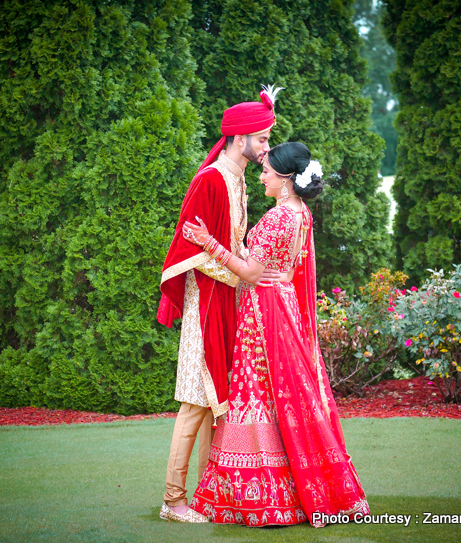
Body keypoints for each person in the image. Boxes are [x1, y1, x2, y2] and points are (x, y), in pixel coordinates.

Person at [181, 142, 370, 528]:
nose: (262, 175)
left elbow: (251, 274)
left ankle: (261, 496)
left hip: (264, 312)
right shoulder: (302, 215)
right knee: (280, 396)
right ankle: (291, 492)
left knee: (256, 392)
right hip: (284, 306)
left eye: (266, 171)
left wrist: (208, 243)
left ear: (285, 179)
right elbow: (286, 273)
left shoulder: (277, 218)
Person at [157, 85, 284, 523]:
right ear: (239, 138)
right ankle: (173, 500)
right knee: (195, 402)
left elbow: (227, 245)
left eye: (268, 139)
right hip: (206, 303)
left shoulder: (239, 178)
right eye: (262, 139)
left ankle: (209, 496)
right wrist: (242, 273)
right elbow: (187, 252)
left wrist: (247, 274)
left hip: (233, 301)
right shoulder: (210, 179)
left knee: (219, 407)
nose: (266, 147)